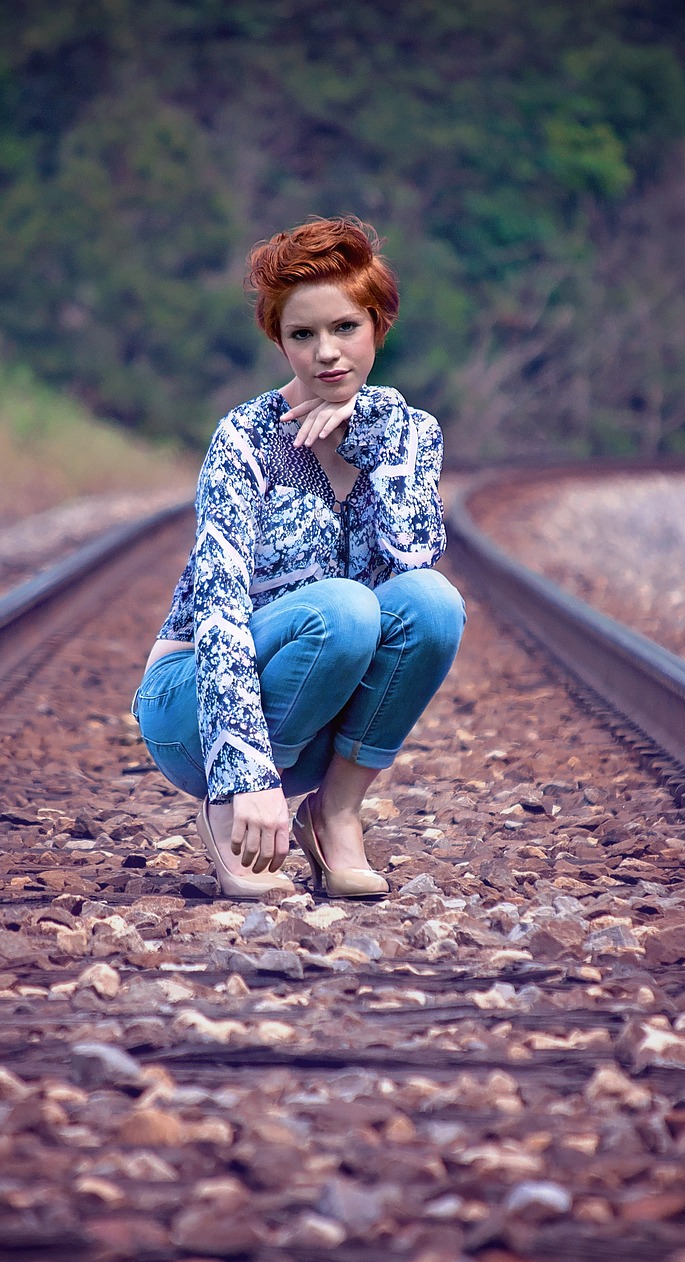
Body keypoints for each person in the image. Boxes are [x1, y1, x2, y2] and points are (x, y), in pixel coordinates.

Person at [132, 216, 466, 899]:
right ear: (278, 340)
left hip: (322, 706)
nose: (325, 354)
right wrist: (247, 774)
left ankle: (334, 812)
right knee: (342, 607)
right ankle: (234, 806)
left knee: (433, 601)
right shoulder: (246, 441)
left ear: (378, 324)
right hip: (193, 705)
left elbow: (410, 555)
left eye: (345, 327)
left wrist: (369, 438)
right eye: (301, 335)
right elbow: (219, 613)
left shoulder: (408, 433)